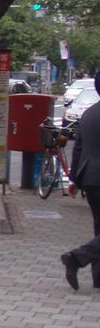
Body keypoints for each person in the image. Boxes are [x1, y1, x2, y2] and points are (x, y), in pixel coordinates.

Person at [61, 76, 100, 290]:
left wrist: (74, 179)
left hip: (90, 178)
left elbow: (78, 149)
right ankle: (76, 258)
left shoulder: (89, 113)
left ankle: (98, 278)